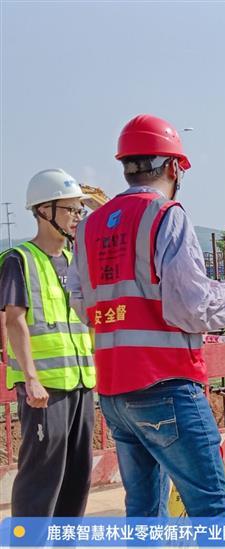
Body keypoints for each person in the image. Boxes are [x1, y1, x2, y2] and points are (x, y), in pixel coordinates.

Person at [67, 113, 225, 516]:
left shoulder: (88, 227)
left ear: (126, 167)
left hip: (115, 391)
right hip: (166, 384)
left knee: (143, 509)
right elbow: (190, 305)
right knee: (212, 506)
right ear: (174, 167)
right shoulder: (165, 215)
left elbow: (81, 303)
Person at [1, 169, 95, 516]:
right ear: (44, 211)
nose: (77, 217)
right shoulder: (19, 260)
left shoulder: (75, 262)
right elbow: (14, 321)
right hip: (43, 390)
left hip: (81, 383)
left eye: (79, 210)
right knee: (42, 477)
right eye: (70, 209)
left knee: (77, 474)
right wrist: (31, 379)